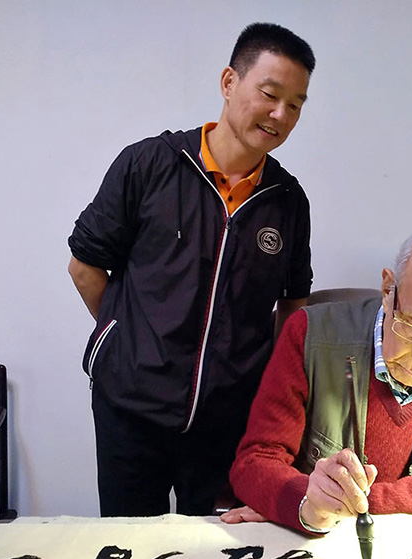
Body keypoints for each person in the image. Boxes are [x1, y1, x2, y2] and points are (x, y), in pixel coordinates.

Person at [68, 23, 316, 517]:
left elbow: (293, 303)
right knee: (129, 544)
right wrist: (129, 339)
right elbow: (85, 267)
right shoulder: (150, 164)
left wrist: (267, 383)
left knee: (218, 546)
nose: (280, 115)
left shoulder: (288, 200)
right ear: (229, 82)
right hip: (130, 409)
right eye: (270, 95)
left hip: (229, 418)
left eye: (295, 105)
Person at [221, 224, 412, 533]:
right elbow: (255, 462)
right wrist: (303, 505)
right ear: (388, 291)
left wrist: (333, 503)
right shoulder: (308, 334)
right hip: (316, 546)